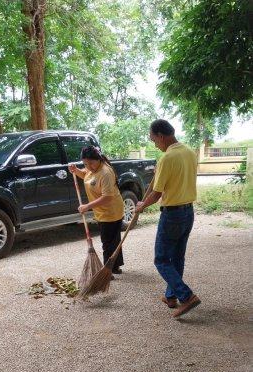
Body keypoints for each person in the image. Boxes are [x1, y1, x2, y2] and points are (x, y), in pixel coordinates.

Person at [135, 119, 201, 318]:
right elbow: (177, 179)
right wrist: (160, 172)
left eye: (154, 140)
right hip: (188, 212)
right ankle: (170, 296)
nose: (155, 144)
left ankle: (186, 296)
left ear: (161, 136)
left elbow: (155, 194)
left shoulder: (167, 158)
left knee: (161, 259)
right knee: (177, 257)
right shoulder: (189, 152)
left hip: (172, 215)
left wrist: (141, 205)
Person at [69, 146, 124, 275]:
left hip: (111, 211)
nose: (88, 166)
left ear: (98, 159)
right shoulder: (92, 169)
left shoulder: (105, 172)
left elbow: (108, 197)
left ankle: (107, 272)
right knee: (113, 240)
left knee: (108, 242)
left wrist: (87, 206)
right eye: (85, 164)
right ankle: (114, 267)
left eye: (91, 163)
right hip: (101, 211)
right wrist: (76, 170)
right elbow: (87, 177)